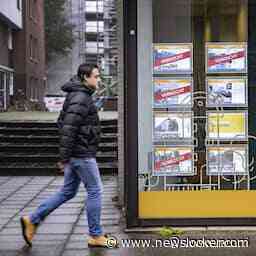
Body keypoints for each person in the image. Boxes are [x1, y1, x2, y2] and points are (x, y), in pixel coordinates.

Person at [20, 63, 118, 248]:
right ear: (84, 78)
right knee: (96, 191)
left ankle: (32, 220)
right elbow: (68, 128)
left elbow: (62, 122)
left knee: (68, 192)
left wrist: (71, 150)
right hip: (82, 154)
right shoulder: (81, 97)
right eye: (95, 76)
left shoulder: (78, 95)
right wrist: (66, 156)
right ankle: (95, 235)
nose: (98, 80)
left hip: (76, 152)